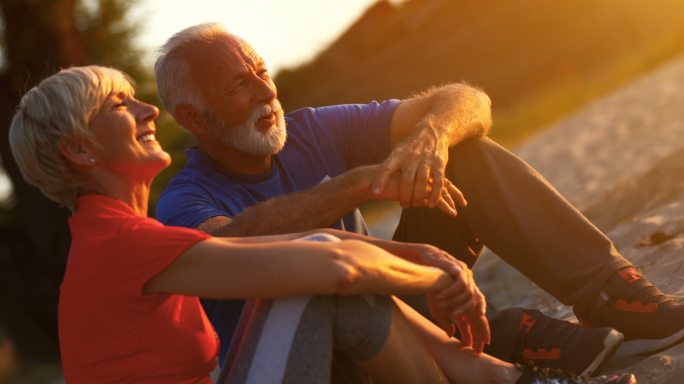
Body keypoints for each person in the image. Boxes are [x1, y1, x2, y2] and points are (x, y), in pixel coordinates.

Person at [9, 65, 639, 384]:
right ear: (81, 152)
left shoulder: (114, 236)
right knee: (324, 288)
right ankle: (500, 375)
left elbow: (326, 244)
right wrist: (428, 271)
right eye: (120, 104)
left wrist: (432, 254)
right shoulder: (124, 242)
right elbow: (328, 265)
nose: (145, 107)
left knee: (340, 279)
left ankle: (525, 359)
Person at [154, 23, 684, 376]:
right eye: (238, 85)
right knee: (342, 288)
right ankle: (509, 337)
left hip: (393, 300)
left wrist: (430, 132)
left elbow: (468, 100)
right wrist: (359, 183)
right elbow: (227, 245)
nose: (267, 93)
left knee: (463, 151)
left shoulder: (309, 131)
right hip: (339, 354)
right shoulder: (186, 200)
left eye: (262, 72)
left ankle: (609, 293)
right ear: (194, 118)